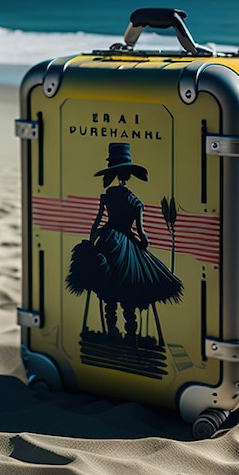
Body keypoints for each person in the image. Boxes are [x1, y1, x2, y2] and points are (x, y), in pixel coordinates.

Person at [66, 142, 183, 348]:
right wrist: (141, 243)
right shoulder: (136, 202)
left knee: (107, 289)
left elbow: (97, 222)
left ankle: (112, 331)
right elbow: (143, 235)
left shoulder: (108, 196)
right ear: (128, 174)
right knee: (130, 290)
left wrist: (92, 242)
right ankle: (131, 336)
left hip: (108, 241)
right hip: (127, 247)